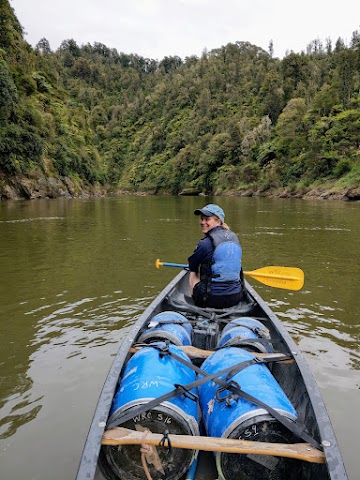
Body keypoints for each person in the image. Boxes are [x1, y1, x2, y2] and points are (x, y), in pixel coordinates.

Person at [188, 203, 243, 308]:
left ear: (218, 221)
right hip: (236, 296)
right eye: (202, 219)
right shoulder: (234, 237)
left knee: (193, 272)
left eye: (207, 219)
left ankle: (196, 305)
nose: (203, 222)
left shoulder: (205, 243)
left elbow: (192, 265)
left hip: (211, 299)